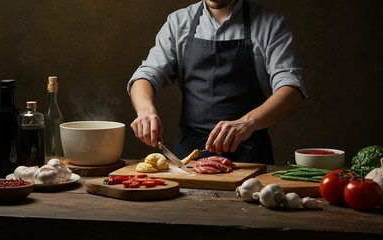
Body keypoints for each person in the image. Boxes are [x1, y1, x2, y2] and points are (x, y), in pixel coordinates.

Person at [127, 0, 306, 164]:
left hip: (249, 156)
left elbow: (292, 91)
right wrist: (145, 111)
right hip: (189, 158)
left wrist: (248, 123)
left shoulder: (271, 24)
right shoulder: (178, 22)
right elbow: (146, 75)